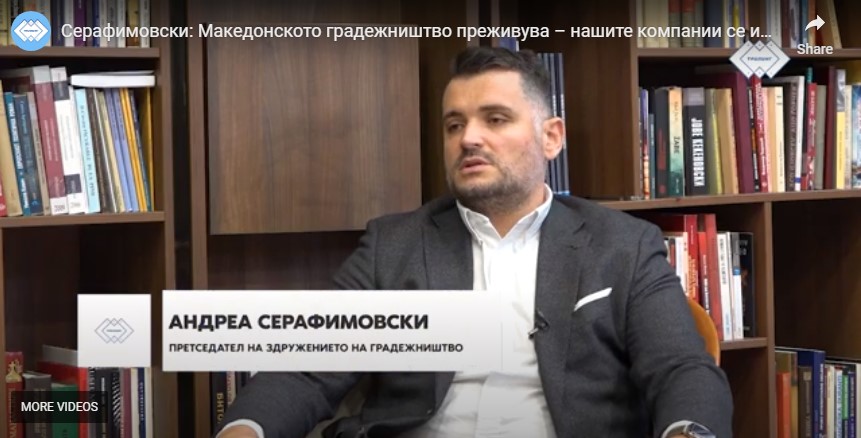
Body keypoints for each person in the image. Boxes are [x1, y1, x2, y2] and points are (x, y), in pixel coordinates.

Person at [215, 46, 733, 438]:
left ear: (551, 136)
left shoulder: (623, 244)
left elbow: (680, 368)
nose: (468, 138)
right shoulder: (393, 244)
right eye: (454, 124)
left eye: (495, 119)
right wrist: (245, 429)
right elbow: (306, 370)